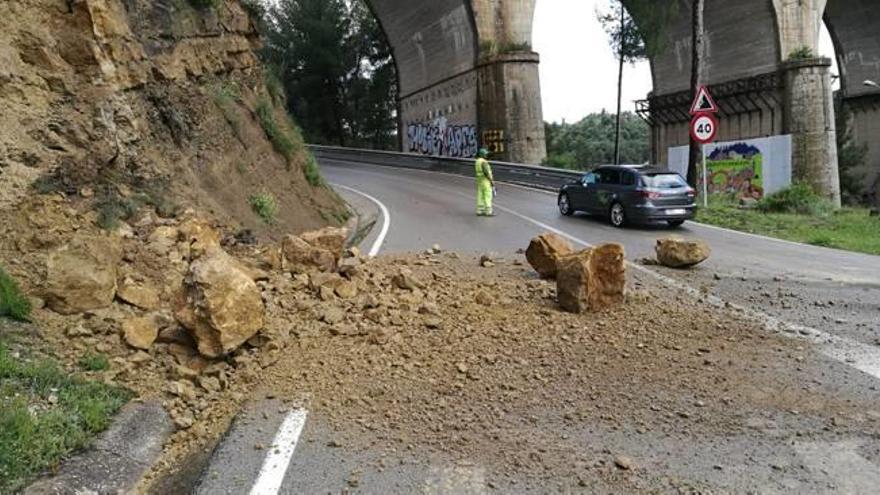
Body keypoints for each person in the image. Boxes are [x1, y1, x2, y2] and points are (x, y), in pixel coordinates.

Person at [475, 148, 495, 216]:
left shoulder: (477, 161)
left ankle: (480, 210)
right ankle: (488, 211)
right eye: (485, 154)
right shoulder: (484, 162)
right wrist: (491, 181)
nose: (486, 155)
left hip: (480, 181)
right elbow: (486, 172)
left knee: (480, 195)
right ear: (483, 154)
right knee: (487, 195)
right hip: (485, 180)